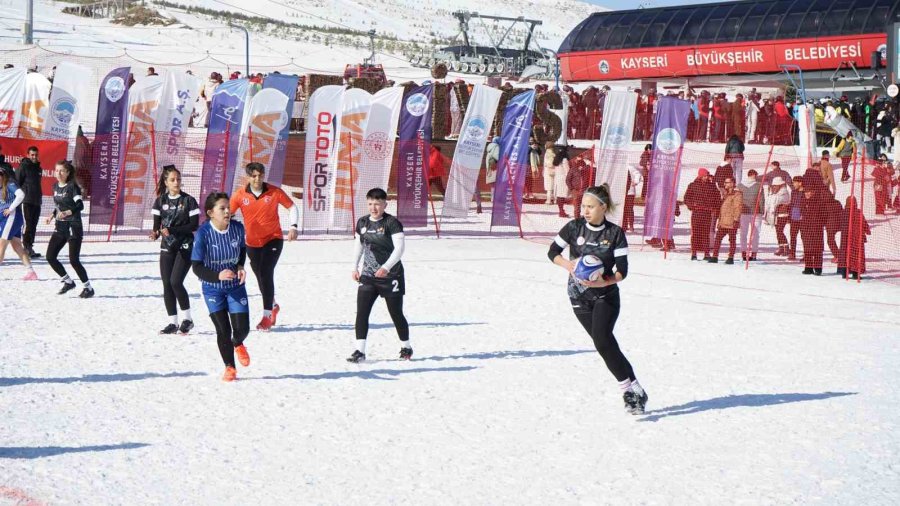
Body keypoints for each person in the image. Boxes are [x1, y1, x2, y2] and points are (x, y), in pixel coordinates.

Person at [547, 185, 647, 415]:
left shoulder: (615, 233)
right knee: (606, 344)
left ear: (603, 207)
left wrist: (603, 282)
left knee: (602, 340)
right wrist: (569, 265)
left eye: (590, 207)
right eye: (583, 206)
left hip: (606, 296)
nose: (585, 211)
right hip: (578, 296)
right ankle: (637, 389)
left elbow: (622, 271)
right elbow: (552, 252)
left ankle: (627, 390)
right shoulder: (574, 227)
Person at [229, 162, 299, 331]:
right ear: (248, 177)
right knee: (260, 276)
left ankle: (267, 316)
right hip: (252, 243)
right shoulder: (239, 195)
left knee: (266, 272)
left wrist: (293, 226)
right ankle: (273, 305)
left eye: (260, 175)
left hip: (273, 239)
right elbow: (227, 214)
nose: (257, 179)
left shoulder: (274, 191)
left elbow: (292, 207)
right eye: (253, 176)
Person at [191, 192, 251, 382]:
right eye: (222, 208)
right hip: (212, 288)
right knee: (223, 330)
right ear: (210, 213)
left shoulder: (237, 228)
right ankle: (230, 367)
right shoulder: (203, 234)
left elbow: (242, 249)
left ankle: (238, 343)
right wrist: (217, 276)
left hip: (235, 286)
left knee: (242, 329)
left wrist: (240, 266)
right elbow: (196, 267)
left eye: (228, 208)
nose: (227, 212)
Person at [348, 187, 411, 363]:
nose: (373, 208)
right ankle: (359, 351)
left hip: (391, 275)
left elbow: (399, 249)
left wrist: (386, 267)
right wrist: (354, 267)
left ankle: (406, 347)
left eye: (377, 204)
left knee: (395, 313)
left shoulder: (392, 223)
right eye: (370, 204)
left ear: (385, 204)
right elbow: (358, 246)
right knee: (362, 312)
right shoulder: (362, 222)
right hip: (368, 275)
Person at [150, 165, 200, 335]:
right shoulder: (160, 201)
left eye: (178, 179)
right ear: (166, 182)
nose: (176, 182)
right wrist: (155, 233)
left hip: (185, 246)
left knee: (176, 282)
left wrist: (172, 230)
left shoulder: (189, 201)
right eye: (172, 180)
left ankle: (188, 319)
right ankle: (173, 323)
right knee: (167, 284)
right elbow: (157, 225)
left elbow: (193, 225)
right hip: (167, 246)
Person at [45, 161, 93, 298]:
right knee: (50, 257)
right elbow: (59, 205)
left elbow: (80, 205)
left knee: (74, 260)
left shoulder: (73, 187)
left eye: (62, 171)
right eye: (56, 170)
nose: (58, 173)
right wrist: (52, 215)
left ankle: (88, 288)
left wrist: (67, 212)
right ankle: (68, 282)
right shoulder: (55, 186)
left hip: (73, 226)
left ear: (68, 173)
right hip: (60, 227)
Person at [0, 165, 37, 279]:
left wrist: (10, 209)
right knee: (17, 246)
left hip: (12, 218)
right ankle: (31, 272)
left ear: (3, 176)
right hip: (9, 219)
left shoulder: (9, 184)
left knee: (1, 245)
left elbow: (21, 195)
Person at [683, 168, 720, 260]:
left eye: (707, 176)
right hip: (697, 212)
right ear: (700, 176)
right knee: (695, 233)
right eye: (704, 176)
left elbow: (717, 198)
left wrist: (715, 207)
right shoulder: (693, 185)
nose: (706, 177)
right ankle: (694, 253)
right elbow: (686, 198)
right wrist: (691, 206)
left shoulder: (712, 186)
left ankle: (706, 254)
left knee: (705, 233)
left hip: (707, 212)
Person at [15, 146, 43, 258]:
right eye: (32, 155)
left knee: (34, 225)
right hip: (26, 201)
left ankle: (30, 246)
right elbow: (16, 183)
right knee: (28, 224)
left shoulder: (39, 168)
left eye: (36, 155)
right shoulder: (23, 166)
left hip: (37, 201)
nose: (34, 157)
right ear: (28, 155)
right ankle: (26, 248)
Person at [708, 176, 742, 264]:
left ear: (732, 183)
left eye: (727, 182)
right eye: (725, 182)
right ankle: (715, 256)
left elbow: (738, 207)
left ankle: (731, 257)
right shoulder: (725, 194)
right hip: (723, 221)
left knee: (732, 239)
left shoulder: (737, 194)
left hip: (731, 221)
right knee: (718, 239)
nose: (725, 184)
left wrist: (736, 219)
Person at [837, 195, 870, 279]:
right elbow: (864, 223)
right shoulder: (858, 212)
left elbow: (839, 224)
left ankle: (844, 272)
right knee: (856, 255)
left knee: (845, 254)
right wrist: (867, 231)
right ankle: (855, 273)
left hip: (845, 238)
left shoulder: (843, 213)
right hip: (857, 238)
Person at [799, 176, 826, 275]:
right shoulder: (803, 201)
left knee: (817, 249)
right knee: (807, 249)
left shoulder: (819, 202)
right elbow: (801, 214)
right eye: (805, 192)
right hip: (806, 229)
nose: (807, 194)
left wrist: (819, 223)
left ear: (813, 192)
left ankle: (818, 269)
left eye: (809, 192)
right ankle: (808, 268)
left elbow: (824, 215)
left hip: (816, 229)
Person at [738, 169, 765, 261]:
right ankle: (754, 253)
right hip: (755, 212)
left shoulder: (740, 186)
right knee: (755, 234)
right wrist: (762, 211)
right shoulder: (759, 186)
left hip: (744, 211)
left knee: (743, 234)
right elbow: (761, 200)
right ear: (754, 175)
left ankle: (743, 253)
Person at [764, 176, 791, 257]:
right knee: (778, 232)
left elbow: (776, 202)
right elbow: (769, 202)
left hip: (782, 215)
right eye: (773, 185)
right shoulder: (774, 193)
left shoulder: (784, 193)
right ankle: (781, 247)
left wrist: (772, 195)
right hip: (776, 215)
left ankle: (786, 248)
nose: (774, 187)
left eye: (775, 185)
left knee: (780, 231)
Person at [787, 176, 804, 260]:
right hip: (794, 217)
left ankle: (806, 254)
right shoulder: (793, 192)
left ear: (800, 183)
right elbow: (792, 204)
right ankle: (792, 253)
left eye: (795, 182)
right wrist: (789, 216)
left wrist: (803, 214)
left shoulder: (805, 192)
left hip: (802, 218)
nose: (793, 184)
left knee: (804, 237)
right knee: (793, 236)